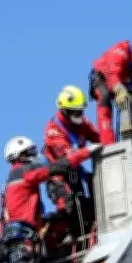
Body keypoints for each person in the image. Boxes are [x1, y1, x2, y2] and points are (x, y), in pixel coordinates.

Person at [0, 135, 101, 263]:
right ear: (20, 155)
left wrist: (46, 218)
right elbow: (58, 167)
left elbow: (17, 209)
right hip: (22, 237)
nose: (34, 155)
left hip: (11, 237)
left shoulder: (10, 181)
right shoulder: (25, 172)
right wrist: (86, 152)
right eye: (30, 152)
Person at [42, 85, 100, 232]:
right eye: (75, 111)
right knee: (69, 209)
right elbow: (69, 158)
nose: (79, 114)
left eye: (81, 111)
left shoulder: (82, 122)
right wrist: (88, 151)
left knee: (91, 202)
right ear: (65, 110)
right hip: (58, 176)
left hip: (76, 173)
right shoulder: (53, 130)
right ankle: (66, 236)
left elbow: (97, 137)